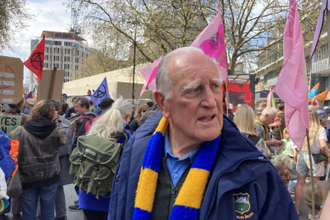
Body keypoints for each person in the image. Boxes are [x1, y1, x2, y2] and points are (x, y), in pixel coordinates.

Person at [108, 47, 298, 220]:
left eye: (215, 86)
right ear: (163, 102)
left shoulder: (254, 168)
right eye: (195, 89)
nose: (211, 101)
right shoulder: (134, 154)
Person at [9, 100, 67, 220]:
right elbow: (63, 141)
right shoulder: (55, 130)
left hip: (27, 178)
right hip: (50, 177)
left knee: (28, 214)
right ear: (52, 114)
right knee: (48, 212)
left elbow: (11, 142)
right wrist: (54, 122)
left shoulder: (19, 131)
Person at [78, 98, 133, 220]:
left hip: (88, 195)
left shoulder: (94, 131)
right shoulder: (129, 137)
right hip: (113, 199)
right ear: (128, 116)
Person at [294, 110, 330, 215]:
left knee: (300, 183)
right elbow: (323, 145)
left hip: (302, 155)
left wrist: (296, 158)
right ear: (316, 117)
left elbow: (295, 147)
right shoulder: (320, 129)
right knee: (313, 185)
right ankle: (311, 212)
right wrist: (328, 156)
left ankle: (296, 209)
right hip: (315, 158)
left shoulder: (301, 129)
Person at [1, 98, 28, 220]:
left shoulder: (1, 116)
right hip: (17, 154)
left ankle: (2, 210)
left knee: (2, 181)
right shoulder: (24, 118)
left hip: (2, 154)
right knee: (16, 182)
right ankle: (16, 213)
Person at [69, 97, 96, 211]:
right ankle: (82, 199)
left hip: (81, 153)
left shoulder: (82, 120)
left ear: (85, 107)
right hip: (91, 151)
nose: (75, 109)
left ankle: (81, 201)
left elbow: (78, 139)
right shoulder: (94, 117)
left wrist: (73, 154)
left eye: (77, 107)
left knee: (77, 178)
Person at [51, 101, 73, 220]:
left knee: (57, 189)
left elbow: (65, 147)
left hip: (57, 162)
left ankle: (61, 215)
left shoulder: (64, 123)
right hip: (54, 162)